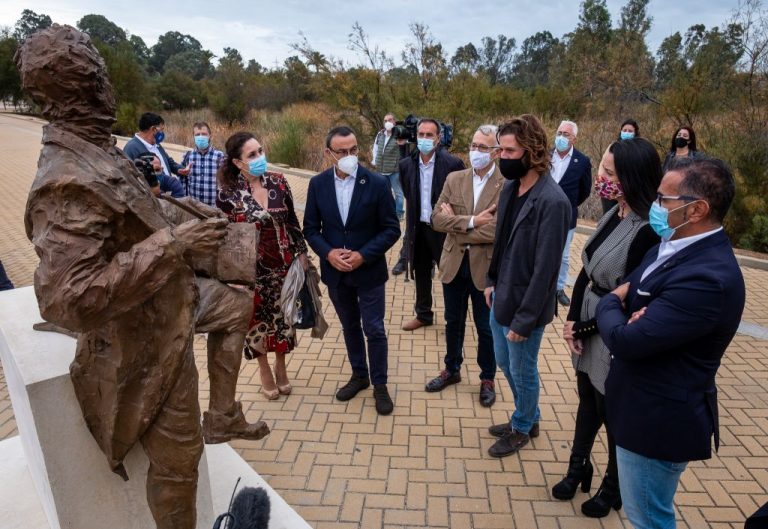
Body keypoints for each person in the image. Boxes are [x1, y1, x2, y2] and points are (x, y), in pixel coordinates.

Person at [17, 26, 267, 529]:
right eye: (100, 79)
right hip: (141, 333)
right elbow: (69, 298)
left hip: (170, 297)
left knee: (238, 304)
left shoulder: (98, 149)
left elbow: (134, 216)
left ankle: (222, 414)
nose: (109, 90)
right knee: (179, 463)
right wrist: (175, 244)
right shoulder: (65, 178)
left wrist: (183, 215)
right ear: (84, 90)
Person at [596, 158, 745, 529]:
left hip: (657, 423)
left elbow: (626, 338)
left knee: (648, 517)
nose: (654, 206)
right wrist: (625, 303)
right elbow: (631, 289)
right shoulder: (670, 244)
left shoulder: (708, 277)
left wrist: (610, 302)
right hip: (638, 408)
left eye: (663, 200)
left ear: (697, 209)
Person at [553, 138, 661, 518]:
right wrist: (571, 322)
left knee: (611, 408)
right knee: (587, 398)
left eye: (609, 172)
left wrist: (583, 329)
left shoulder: (647, 230)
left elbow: (627, 298)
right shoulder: (613, 212)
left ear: (632, 176)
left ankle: (613, 487)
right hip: (587, 318)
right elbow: (588, 268)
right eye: (601, 168)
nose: (600, 176)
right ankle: (578, 465)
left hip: (610, 329)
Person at [485, 114, 570, 458]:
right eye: (500, 151)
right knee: (505, 363)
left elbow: (547, 271)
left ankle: (523, 426)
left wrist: (524, 319)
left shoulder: (553, 201)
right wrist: (490, 281)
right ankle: (527, 414)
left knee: (523, 369)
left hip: (526, 307)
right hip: (500, 295)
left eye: (509, 151)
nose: (502, 158)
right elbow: (500, 241)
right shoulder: (510, 188)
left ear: (532, 151)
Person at [303, 126, 401, 415]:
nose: (349, 156)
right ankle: (360, 375)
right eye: (342, 152)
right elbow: (311, 228)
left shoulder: (376, 183)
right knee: (350, 326)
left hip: (369, 272)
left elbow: (391, 229)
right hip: (336, 273)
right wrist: (328, 253)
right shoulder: (318, 184)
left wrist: (363, 255)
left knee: (374, 328)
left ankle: (380, 385)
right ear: (328, 154)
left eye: (354, 150)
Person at [217, 132, 308, 400]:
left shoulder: (278, 182)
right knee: (256, 322)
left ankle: (281, 366)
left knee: (284, 319)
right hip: (250, 273)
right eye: (252, 155)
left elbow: (292, 221)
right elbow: (225, 238)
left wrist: (301, 254)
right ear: (237, 162)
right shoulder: (228, 194)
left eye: (260, 151)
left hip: (283, 265)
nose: (260, 158)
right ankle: (264, 368)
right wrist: (229, 276)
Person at [427, 124, 503, 407]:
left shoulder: (505, 185)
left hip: (485, 268)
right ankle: (452, 369)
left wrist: (456, 224)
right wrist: (472, 221)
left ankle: (487, 378)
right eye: (473, 145)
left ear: (495, 152)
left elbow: (497, 230)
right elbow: (436, 219)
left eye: (483, 147)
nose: (476, 152)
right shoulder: (454, 178)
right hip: (454, 264)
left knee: (485, 327)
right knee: (452, 322)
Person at [400, 118, 465, 330]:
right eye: (421, 134)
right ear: (415, 136)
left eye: (430, 135)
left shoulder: (452, 164)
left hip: (443, 231)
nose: (425, 139)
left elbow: (463, 195)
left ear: (438, 138)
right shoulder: (406, 164)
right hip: (419, 228)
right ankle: (423, 314)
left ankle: (453, 320)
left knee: (449, 275)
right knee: (421, 272)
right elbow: (408, 193)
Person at [551, 120, 592, 307]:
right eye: (559, 132)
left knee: (564, 256)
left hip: (567, 216)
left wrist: (570, 205)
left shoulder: (582, 161)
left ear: (574, 138)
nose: (561, 137)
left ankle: (558, 288)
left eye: (566, 134)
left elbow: (584, 190)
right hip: (543, 214)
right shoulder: (544, 156)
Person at [123, 111, 192, 187]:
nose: (162, 133)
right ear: (153, 129)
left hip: (167, 193)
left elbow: (168, 162)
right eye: (161, 129)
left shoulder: (156, 144)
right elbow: (128, 177)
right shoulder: (131, 148)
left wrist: (179, 169)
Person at [602, 119, 641, 214]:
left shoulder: (639, 150)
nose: (626, 133)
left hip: (629, 191)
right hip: (610, 189)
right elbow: (603, 166)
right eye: (624, 130)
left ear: (635, 133)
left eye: (630, 131)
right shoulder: (613, 146)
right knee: (608, 216)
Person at [182, 121, 225, 207]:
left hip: (213, 207)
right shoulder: (188, 156)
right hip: (194, 207)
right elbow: (183, 181)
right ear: (193, 137)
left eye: (204, 134)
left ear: (210, 136)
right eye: (197, 134)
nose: (200, 137)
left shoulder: (219, 156)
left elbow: (224, 182)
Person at [372, 113, 406, 219]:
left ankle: (399, 214)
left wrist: (403, 142)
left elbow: (406, 145)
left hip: (394, 169)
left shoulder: (399, 134)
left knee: (398, 193)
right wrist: (374, 161)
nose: (387, 122)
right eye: (385, 120)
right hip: (381, 168)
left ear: (394, 121)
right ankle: (387, 213)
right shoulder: (380, 134)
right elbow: (376, 148)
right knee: (384, 193)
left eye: (390, 120)